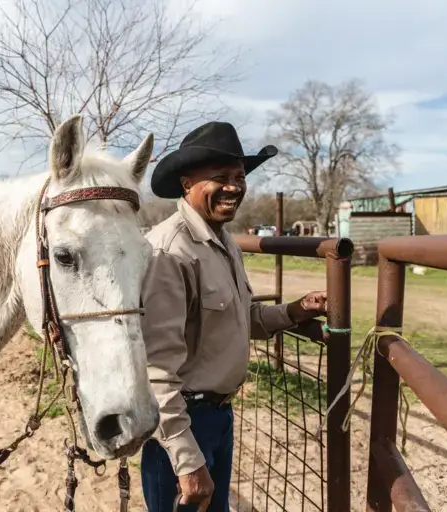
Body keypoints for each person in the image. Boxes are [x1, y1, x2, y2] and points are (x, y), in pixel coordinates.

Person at [139, 121, 328, 512]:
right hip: (181, 426)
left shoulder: (223, 241)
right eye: (220, 177)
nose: (234, 187)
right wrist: (188, 462)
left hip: (219, 416)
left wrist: (295, 310)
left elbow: (244, 318)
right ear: (186, 183)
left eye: (239, 176)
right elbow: (155, 368)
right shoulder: (170, 252)